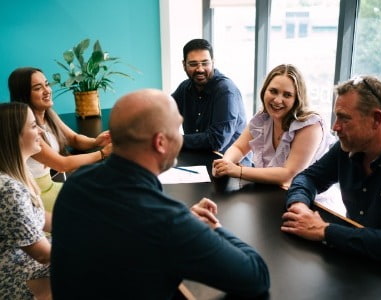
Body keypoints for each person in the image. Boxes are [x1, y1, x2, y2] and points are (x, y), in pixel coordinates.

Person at [51, 89, 270, 299]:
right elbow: (257, 277)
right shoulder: (167, 223)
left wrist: (184, 221)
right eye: (178, 129)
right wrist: (213, 228)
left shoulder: (76, 184)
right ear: (161, 142)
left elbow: (123, 228)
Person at [281, 75, 381, 263]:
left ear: (376, 119)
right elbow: (308, 178)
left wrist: (325, 230)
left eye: (344, 119)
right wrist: (299, 206)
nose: (335, 127)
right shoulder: (348, 147)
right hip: (352, 260)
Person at [213, 64, 334, 189]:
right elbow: (239, 148)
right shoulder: (263, 118)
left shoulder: (310, 126)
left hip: (310, 201)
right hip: (270, 192)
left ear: (297, 98)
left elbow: (288, 176)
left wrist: (238, 171)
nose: (277, 100)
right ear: (264, 90)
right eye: (273, 91)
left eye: (287, 95)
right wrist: (225, 163)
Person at [8, 67, 112, 212]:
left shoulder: (48, 116)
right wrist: (103, 153)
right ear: (24, 95)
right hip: (39, 192)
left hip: (52, 183)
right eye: (38, 88)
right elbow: (61, 165)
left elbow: (74, 139)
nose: (47, 91)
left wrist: (96, 142)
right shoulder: (27, 130)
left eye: (47, 84)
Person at [0, 102, 52, 299]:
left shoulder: (16, 173)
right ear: (13, 136)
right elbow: (42, 254)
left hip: (25, 262)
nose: (40, 130)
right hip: (13, 276)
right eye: (32, 126)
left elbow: (38, 216)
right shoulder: (9, 190)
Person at [172, 38, 248, 156]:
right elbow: (164, 113)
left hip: (231, 165)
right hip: (200, 159)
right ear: (184, 65)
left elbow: (216, 140)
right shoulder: (185, 87)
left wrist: (173, 140)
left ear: (213, 62)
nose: (200, 69)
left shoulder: (225, 90)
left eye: (205, 63)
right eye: (193, 64)